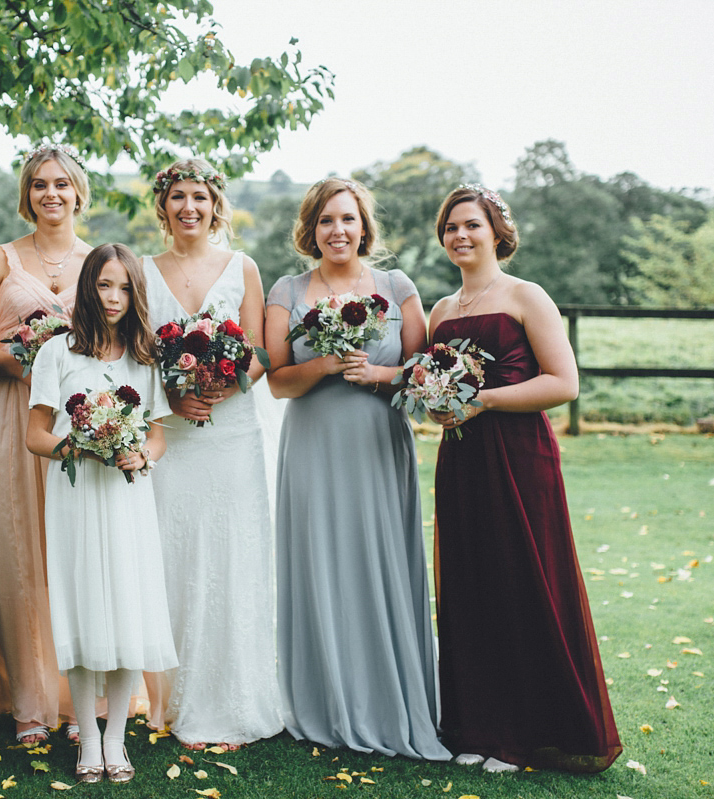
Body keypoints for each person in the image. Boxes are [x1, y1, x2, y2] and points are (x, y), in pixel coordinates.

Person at [426, 184, 622, 773]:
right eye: (451, 228)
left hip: (519, 456)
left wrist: (482, 399)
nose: (460, 236)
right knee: (469, 585)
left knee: (522, 582)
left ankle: (524, 732)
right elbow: (431, 385)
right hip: (460, 459)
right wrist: (438, 404)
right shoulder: (439, 311)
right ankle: (477, 726)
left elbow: (564, 384)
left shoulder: (526, 296)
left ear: (496, 233)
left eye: (471, 226)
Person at [264, 177, 449, 759]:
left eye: (347, 219)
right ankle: (325, 700)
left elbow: (421, 372)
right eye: (325, 221)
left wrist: (380, 375)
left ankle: (392, 697)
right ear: (310, 230)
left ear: (364, 227)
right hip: (314, 444)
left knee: (381, 563)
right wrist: (324, 362)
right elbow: (275, 382)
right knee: (322, 565)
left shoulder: (397, 286)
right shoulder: (288, 288)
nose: (337, 230)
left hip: (377, 441)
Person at [141, 157, 283, 750]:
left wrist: (227, 383)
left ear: (214, 204)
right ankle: (167, 701)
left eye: (199, 197)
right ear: (163, 207)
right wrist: (175, 394)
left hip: (233, 436)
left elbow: (260, 350)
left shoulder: (242, 267)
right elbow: (135, 355)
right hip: (174, 439)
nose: (189, 208)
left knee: (233, 559)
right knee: (173, 558)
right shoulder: (142, 271)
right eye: (178, 197)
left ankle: (232, 700)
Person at [26, 243, 176, 782]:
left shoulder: (146, 357)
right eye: (104, 285)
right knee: (83, 608)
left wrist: (141, 455)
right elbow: (35, 436)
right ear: (88, 287)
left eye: (124, 287)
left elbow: (158, 438)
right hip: (75, 496)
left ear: (136, 293)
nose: (113, 297)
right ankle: (87, 736)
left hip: (127, 497)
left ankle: (117, 737)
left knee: (128, 610)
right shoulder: (58, 353)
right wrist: (80, 447)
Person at [0, 142, 92, 745]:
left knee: (73, 555)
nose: (51, 194)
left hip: (76, 420)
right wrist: (20, 365)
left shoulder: (99, 262)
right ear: (27, 194)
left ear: (78, 192)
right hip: (11, 414)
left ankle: (74, 699)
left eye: (62, 184)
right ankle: (26, 701)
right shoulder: (2, 258)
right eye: (40, 184)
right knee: (15, 554)